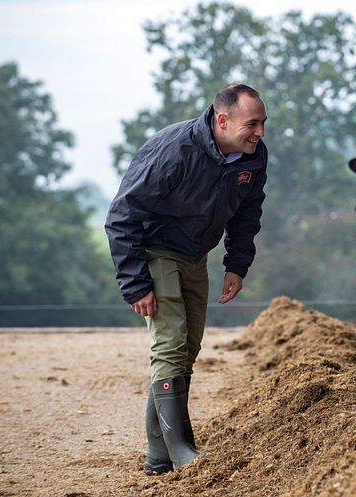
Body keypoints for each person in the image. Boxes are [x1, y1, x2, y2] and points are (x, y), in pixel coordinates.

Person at [105, 83, 267, 474]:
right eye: (253, 124)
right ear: (222, 120)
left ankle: (159, 456)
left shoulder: (252, 157)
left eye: (263, 124)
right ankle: (181, 450)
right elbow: (121, 216)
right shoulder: (176, 150)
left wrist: (237, 265)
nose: (260, 133)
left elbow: (247, 214)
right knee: (171, 343)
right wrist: (136, 283)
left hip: (197, 257)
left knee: (187, 348)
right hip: (155, 250)